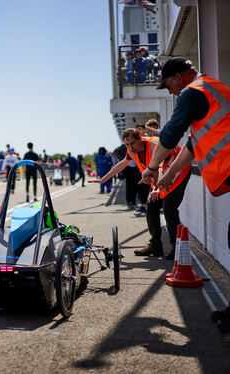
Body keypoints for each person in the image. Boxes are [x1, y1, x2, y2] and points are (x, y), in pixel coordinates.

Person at [139, 57, 230, 332]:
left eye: (168, 85)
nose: (171, 92)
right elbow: (192, 144)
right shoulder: (212, 89)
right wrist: (167, 175)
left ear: (179, 76)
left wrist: (153, 167)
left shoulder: (193, 92)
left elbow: (170, 134)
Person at [92, 128, 190, 258]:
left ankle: (177, 247)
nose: (130, 147)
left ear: (140, 139)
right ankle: (155, 245)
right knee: (151, 207)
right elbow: (123, 163)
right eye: (127, 144)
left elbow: (159, 166)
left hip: (178, 171)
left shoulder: (155, 145)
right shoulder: (133, 150)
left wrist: (155, 189)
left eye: (132, 143)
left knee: (169, 207)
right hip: (160, 177)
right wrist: (104, 179)